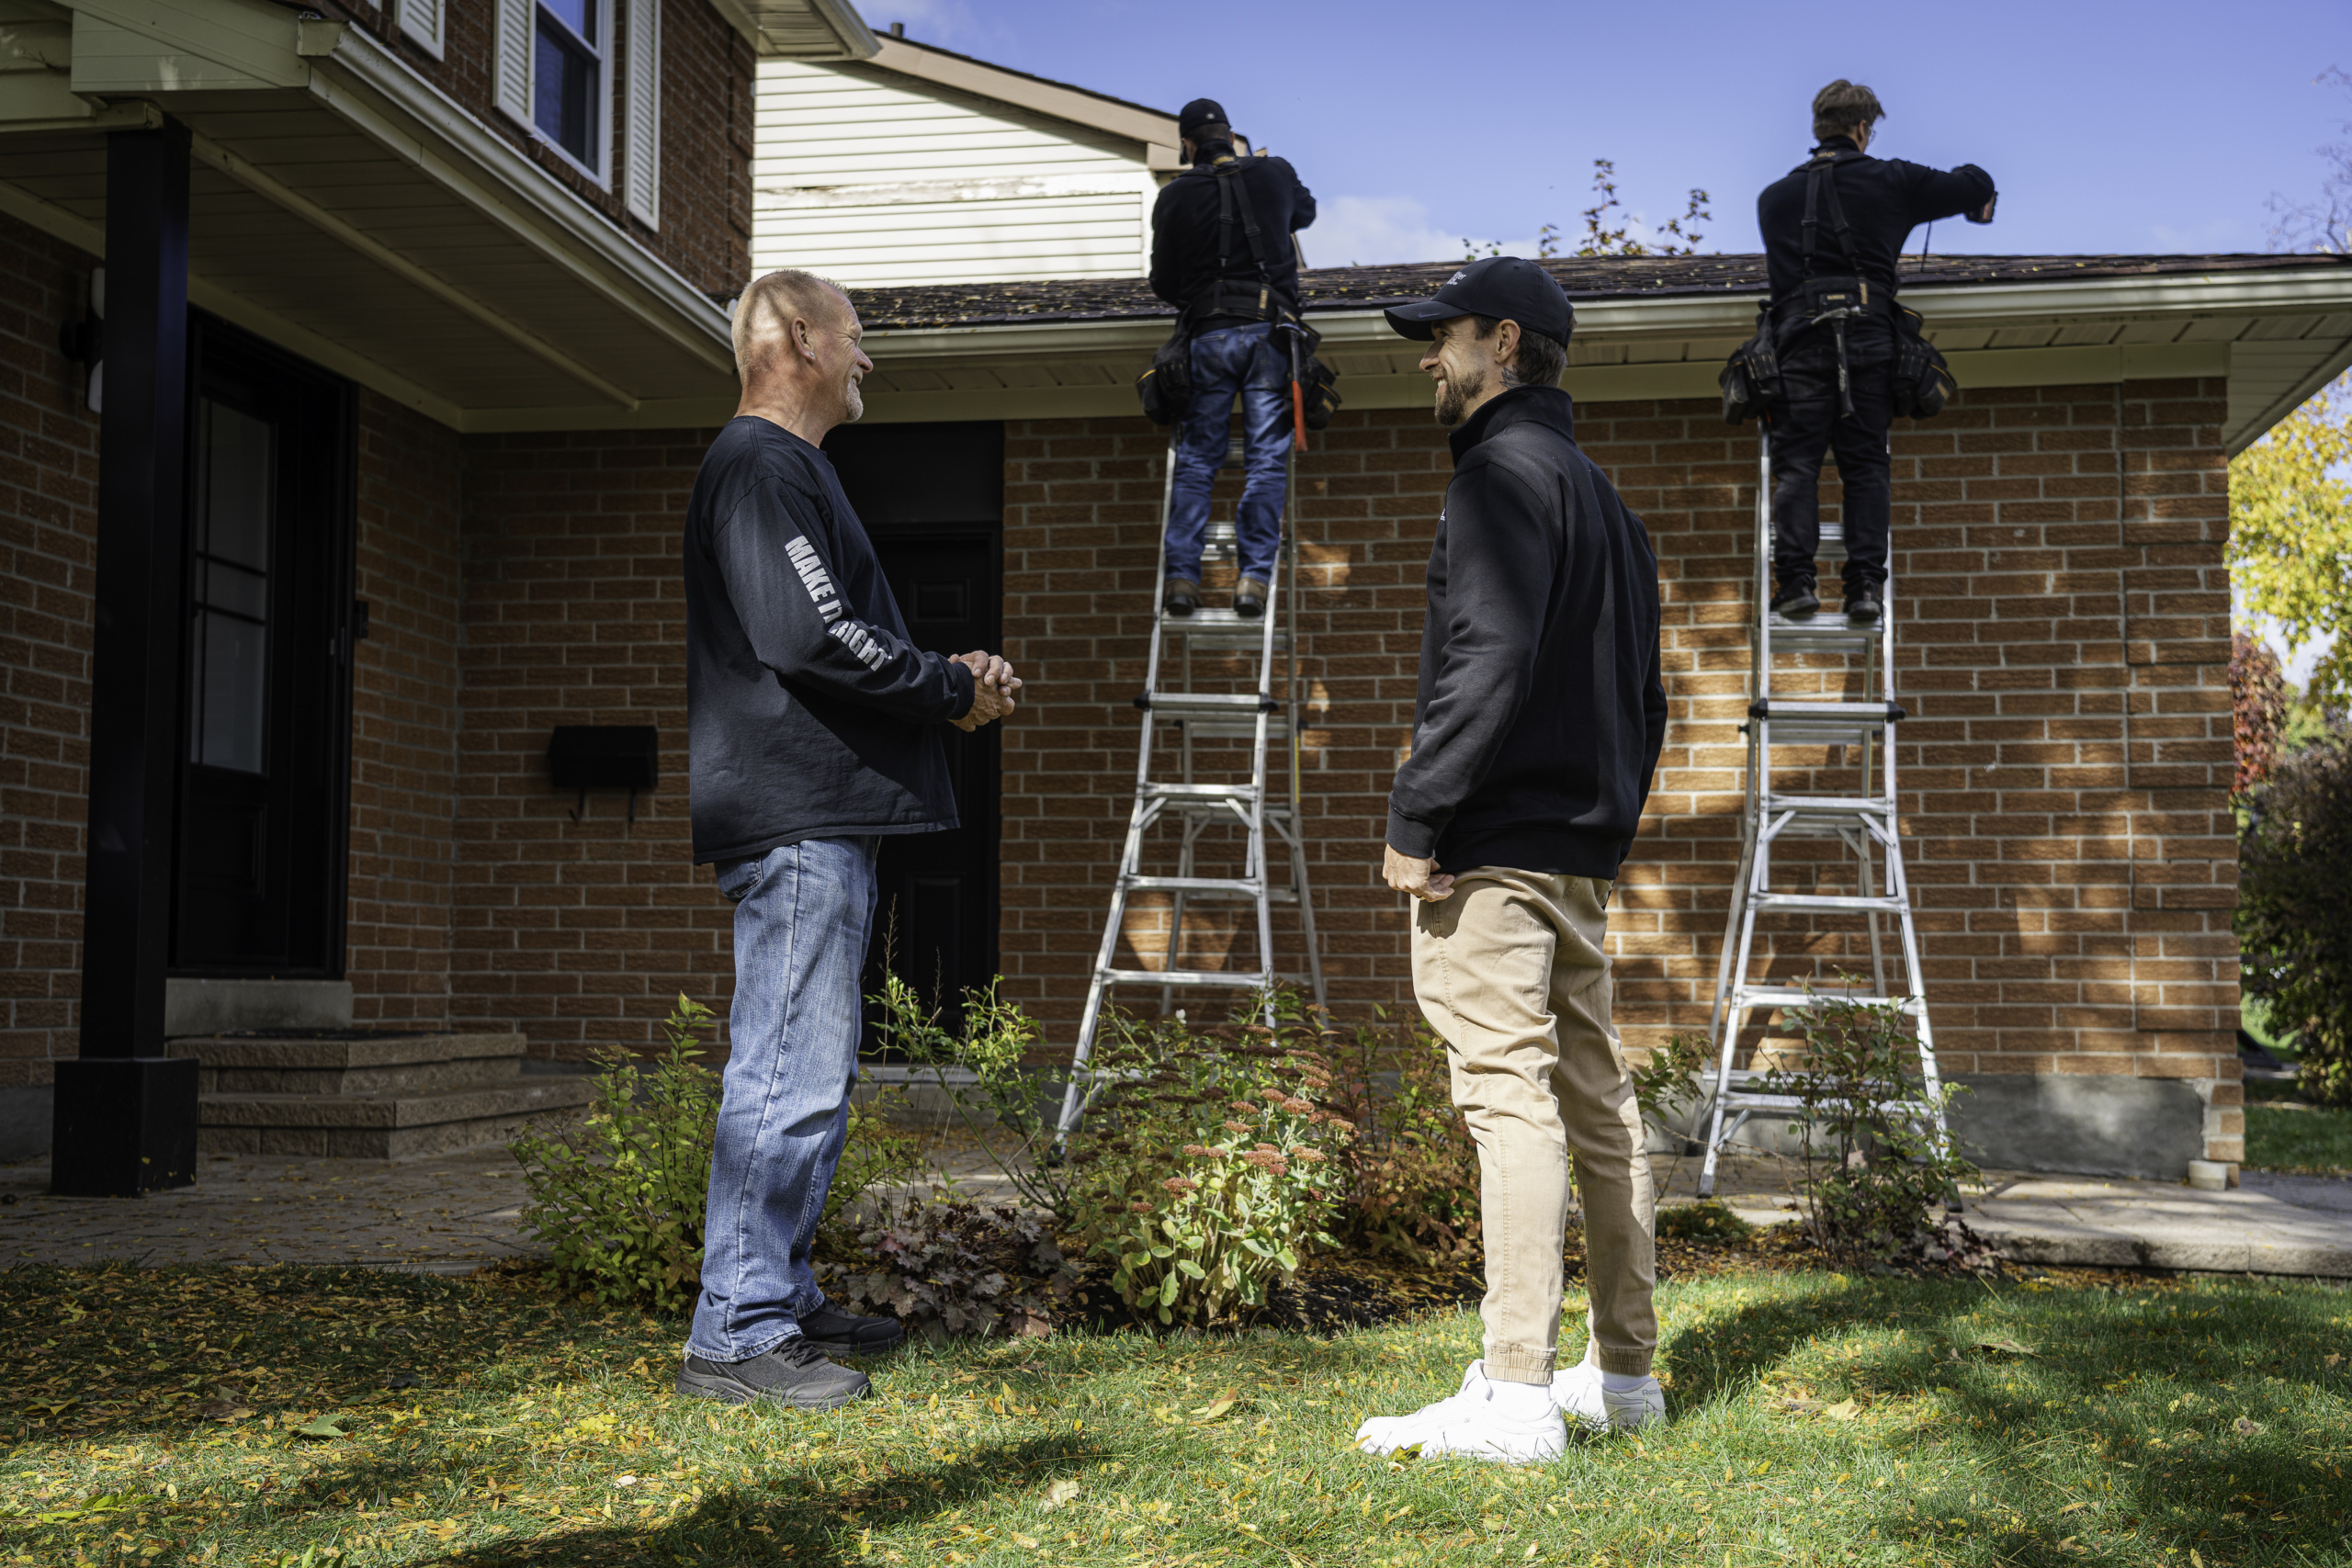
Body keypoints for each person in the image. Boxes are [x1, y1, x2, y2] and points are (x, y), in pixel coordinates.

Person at [676, 269, 1021, 1411]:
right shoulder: (762, 466)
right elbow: (809, 634)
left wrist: (948, 679)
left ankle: (777, 1292)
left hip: (818, 818)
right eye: (858, 339)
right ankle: (735, 1334)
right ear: (799, 339)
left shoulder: (789, 471)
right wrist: (947, 687)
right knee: (785, 1068)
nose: (869, 361)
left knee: (813, 1069)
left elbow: (831, 628)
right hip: (798, 819)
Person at [1351, 258, 1669, 1463]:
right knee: (1592, 1089)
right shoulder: (1605, 500)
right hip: (1578, 846)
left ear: (1507, 341)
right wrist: (1608, 822)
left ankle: (1521, 1389)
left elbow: (1482, 659)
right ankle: (1623, 1374)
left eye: (1444, 337)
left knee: (1507, 1089)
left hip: (1495, 843)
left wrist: (1419, 814)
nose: (1428, 355)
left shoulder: (1499, 475)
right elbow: (1651, 693)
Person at [1759, 79, 1996, 623]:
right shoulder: (1892, 179)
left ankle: (1796, 585)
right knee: (1865, 464)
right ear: (1864, 129)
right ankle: (1864, 589)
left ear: (1818, 127)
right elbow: (1974, 182)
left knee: (1797, 467)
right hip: (1869, 338)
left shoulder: (1773, 199)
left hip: (1797, 339)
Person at [1148, 97, 1316, 619]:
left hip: (1209, 337)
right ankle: (1252, 580)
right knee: (1265, 461)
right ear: (1232, 135)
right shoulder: (1274, 172)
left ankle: (1181, 577)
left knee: (1198, 461)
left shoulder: (1175, 195)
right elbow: (1305, 212)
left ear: (1188, 145)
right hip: (1268, 335)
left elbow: (1164, 283)